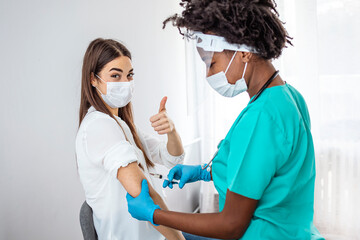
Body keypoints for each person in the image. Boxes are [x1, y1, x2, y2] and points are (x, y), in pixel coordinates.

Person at [126, 0, 325, 239]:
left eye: (211, 63)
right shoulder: (287, 96)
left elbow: (231, 224)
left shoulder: (262, 117)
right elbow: (266, 167)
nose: (209, 74)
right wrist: (204, 172)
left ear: (243, 52)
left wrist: (155, 214)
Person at [75, 38, 186, 240]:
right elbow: (142, 193)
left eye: (129, 75)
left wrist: (171, 130)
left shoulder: (122, 125)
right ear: (93, 79)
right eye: (115, 75)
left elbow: (172, 157)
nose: (125, 83)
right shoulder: (98, 126)